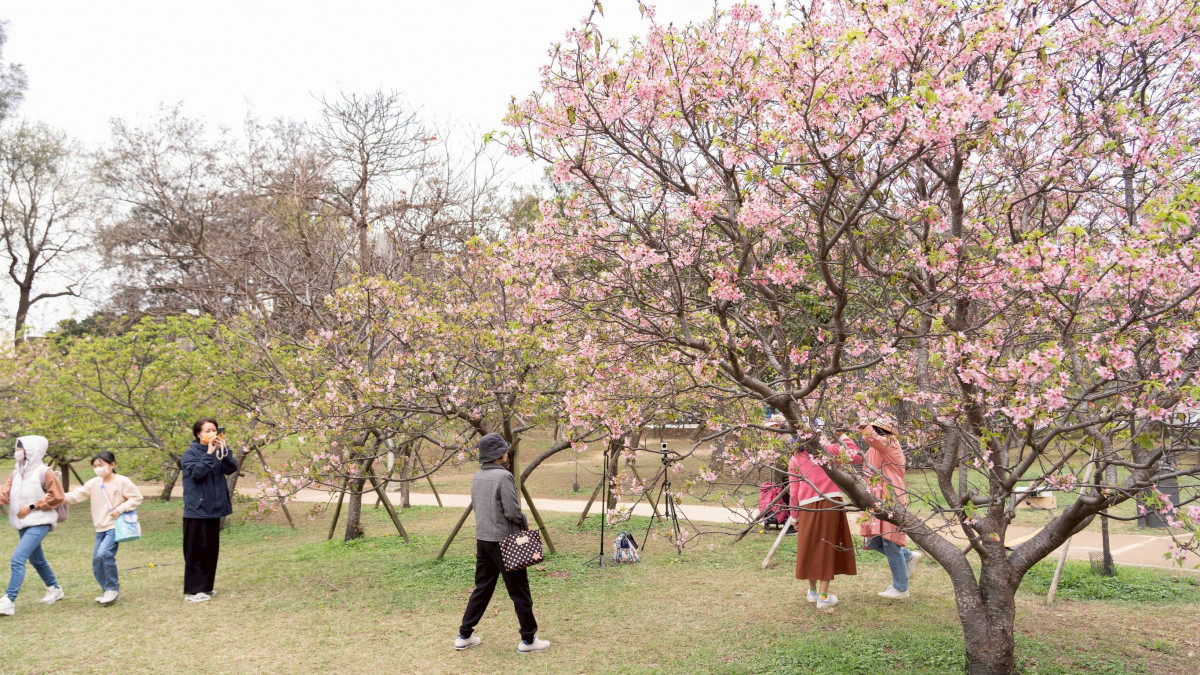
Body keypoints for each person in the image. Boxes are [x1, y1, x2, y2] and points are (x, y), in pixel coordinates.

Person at [455, 432, 549, 653]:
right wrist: (523, 520)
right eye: (504, 450)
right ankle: (528, 640)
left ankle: (464, 635)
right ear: (499, 455)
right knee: (519, 591)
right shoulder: (504, 477)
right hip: (506, 543)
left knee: (482, 589)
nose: (507, 453)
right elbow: (513, 512)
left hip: (483, 540)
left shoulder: (478, 475)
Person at [63, 451, 144, 604]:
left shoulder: (122, 481)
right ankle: (107, 590)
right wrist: (58, 497)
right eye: (95, 466)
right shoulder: (94, 483)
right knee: (96, 561)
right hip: (99, 527)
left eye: (101, 465)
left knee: (104, 554)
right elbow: (76, 496)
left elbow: (137, 497)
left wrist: (120, 508)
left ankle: (112, 589)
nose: (98, 468)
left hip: (115, 525)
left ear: (111, 465)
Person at [789, 434, 858, 610]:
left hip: (806, 508)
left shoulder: (795, 457)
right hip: (830, 504)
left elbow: (794, 491)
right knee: (826, 548)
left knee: (811, 547)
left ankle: (812, 592)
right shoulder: (829, 450)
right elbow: (855, 455)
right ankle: (823, 597)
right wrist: (843, 436)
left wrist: (794, 516)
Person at [858, 415, 922, 599]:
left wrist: (866, 426)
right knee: (874, 541)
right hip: (878, 495)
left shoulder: (889, 444)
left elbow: (873, 439)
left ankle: (901, 588)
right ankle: (908, 556)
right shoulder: (878, 446)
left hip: (889, 495)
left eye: (878, 430)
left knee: (890, 541)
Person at [0, 436, 65, 616]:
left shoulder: (45, 472)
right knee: (36, 560)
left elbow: (57, 496)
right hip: (23, 523)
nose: (18, 451)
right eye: (17, 447)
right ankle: (55, 588)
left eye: (22, 448)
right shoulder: (16, 473)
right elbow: (4, 496)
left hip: (40, 521)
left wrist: (31, 506)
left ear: (32, 450)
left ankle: (8, 600)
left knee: (18, 558)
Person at [180, 418, 238, 603]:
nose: (211, 433)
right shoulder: (190, 454)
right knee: (195, 551)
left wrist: (224, 450)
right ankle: (192, 591)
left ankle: (206, 587)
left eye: (214, 430)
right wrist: (209, 453)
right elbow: (197, 474)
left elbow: (232, 468)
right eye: (207, 430)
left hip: (214, 509)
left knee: (210, 550)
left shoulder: (219, 451)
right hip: (196, 510)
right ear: (198, 434)